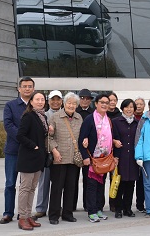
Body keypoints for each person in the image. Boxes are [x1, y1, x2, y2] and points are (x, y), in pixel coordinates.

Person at [1, 76, 35, 225]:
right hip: (13, 150)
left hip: (29, 152)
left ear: (33, 89)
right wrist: (24, 140)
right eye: (24, 86)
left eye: (30, 86)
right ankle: (8, 213)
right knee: (10, 183)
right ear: (19, 88)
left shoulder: (36, 106)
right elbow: (8, 125)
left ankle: (24, 213)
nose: (27, 89)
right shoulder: (10, 105)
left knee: (26, 185)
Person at [78, 93, 114, 223]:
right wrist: (85, 156)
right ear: (97, 104)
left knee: (101, 185)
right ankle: (91, 211)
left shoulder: (108, 120)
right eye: (102, 102)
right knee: (91, 186)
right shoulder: (90, 119)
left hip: (104, 159)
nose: (104, 105)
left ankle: (99, 209)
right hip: (92, 159)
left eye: (106, 103)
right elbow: (82, 138)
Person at [47, 91, 82, 225]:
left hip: (73, 159)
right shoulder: (55, 117)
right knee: (57, 188)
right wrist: (54, 150)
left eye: (74, 103)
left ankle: (67, 213)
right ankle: (54, 215)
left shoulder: (79, 118)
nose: (71, 105)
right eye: (69, 103)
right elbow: (48, 137)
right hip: (59, 158)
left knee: (70, 187)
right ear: (64, 103)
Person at [15, 91, 48, 231]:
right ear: (31, 102)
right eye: (37, 99)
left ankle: (28, 215)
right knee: (25, 188)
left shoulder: (42, 116)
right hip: (28, 158)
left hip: (38, 159)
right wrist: (33, 145)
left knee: (32, 188)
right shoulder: (28, 116)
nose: (40, 102)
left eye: (42, 99)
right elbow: (20, 135)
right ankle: (22, 217)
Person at [34, 90, 62, 219]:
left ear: (61, 101)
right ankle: (41, 208)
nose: (55, 102)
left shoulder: (65, 114)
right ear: (48, 101)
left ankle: (57, 207)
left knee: (59, 184)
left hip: (61, 155)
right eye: (52, 99)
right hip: (46, 154)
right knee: (43, 182)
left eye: (58, 99)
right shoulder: (43, 115)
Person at [112, 99, 139, 218]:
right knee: (120, 183)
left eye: (131, 107)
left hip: (133, 158)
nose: (129, 109)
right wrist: (115, 153)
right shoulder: (116, 121)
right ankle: (118, 208)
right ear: (122, 108)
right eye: (127, 107)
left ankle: (128, 208)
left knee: (131, 184)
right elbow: (111, 138)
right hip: (120, 157)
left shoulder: (137, 123)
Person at [74, 88, 94, 212]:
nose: (85, 100)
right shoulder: (74, 111)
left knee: (88, 179)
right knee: (73, 179)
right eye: (82, 98)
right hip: (75, 149)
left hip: (88, 151)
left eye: (87, 98)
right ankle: (71, 205)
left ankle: (88, 204)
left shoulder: (94, 113)